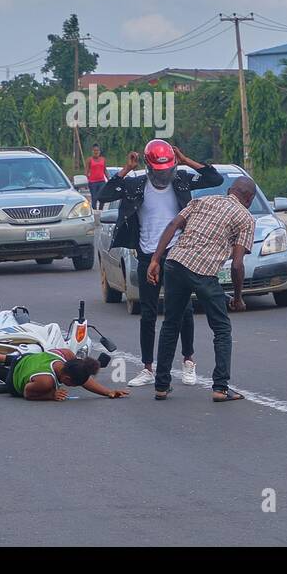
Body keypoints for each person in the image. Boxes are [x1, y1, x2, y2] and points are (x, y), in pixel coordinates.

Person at [95, 140, 223, 388]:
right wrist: (125, 169)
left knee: (183, 309)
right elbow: (104, 195)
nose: (164, 176)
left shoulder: (182, 179)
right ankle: (147, 367)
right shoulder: (135, 184)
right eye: (159, 171)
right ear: (148, 167)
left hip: (177, 254)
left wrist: (186, 161)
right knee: (148, 313)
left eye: (168, 170)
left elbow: (214, 179)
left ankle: (188, 361)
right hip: (147, 255)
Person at [148, 177, 257, 402]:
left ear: (229, 191)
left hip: (175, 263)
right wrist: (238, 298)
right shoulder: (246, 218)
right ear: (250, 199)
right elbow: (237, 265)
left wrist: (155, 259)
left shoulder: (203, 200)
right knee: (222, 329)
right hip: (204, 273)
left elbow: (173, 225)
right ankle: (220, 388)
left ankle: (161, 385)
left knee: (170, 324)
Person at [0, 347, 127, 401]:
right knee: (8, 376)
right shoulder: (47, 382)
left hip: (26, 358)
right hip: (16, 379)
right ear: (66, 379)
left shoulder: (66, 354)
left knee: (17, 360)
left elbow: (84, 378)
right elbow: (27, 393)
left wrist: (107, 391)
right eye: (73, 384)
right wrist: (50, 395)